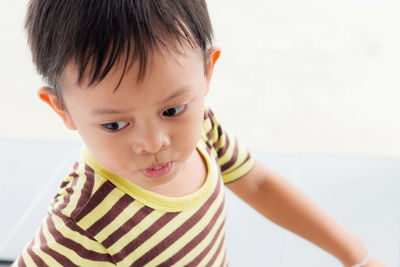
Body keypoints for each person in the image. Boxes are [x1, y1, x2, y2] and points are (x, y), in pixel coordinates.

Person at [15, 0, 386, 266]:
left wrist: (356, 254)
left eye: (172, 109)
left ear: (207, 72)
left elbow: (258, 185)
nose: (155, 142)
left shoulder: (204, 127)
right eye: (114, 124)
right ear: (61, 108)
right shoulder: (80, 226)